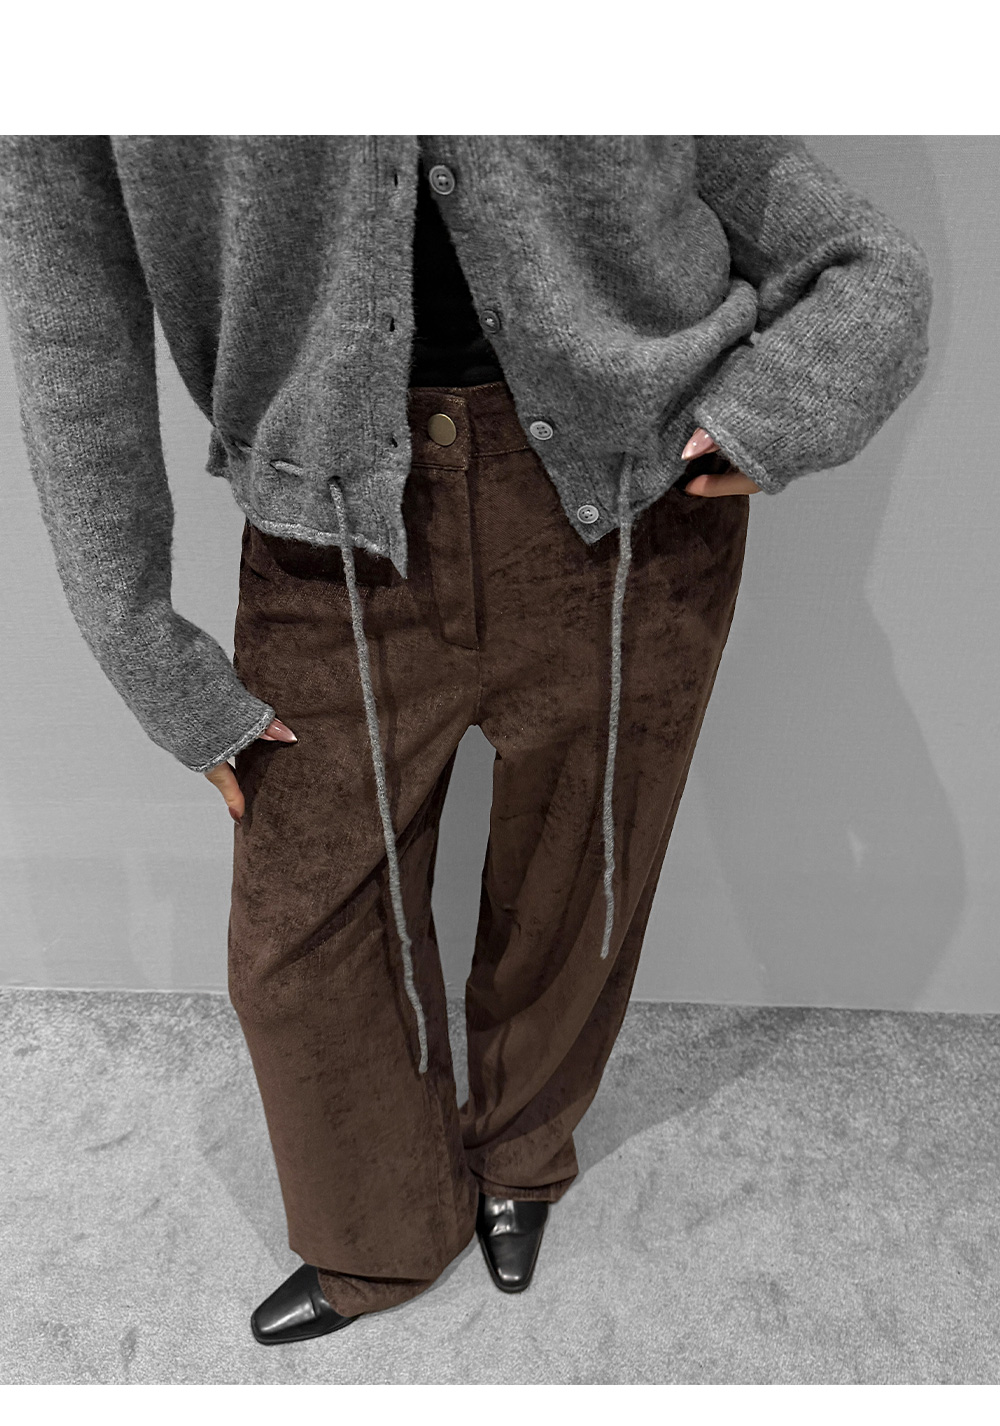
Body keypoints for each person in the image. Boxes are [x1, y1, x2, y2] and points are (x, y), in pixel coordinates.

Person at [0, 136, 932, 1345]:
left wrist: (781, 406)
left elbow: (856, 257)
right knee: (298, 945)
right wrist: (138, 640)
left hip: (629, 516)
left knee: (578, 882)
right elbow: (66, 302)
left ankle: (521, 1156)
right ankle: (377, 1234)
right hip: (328, 534)